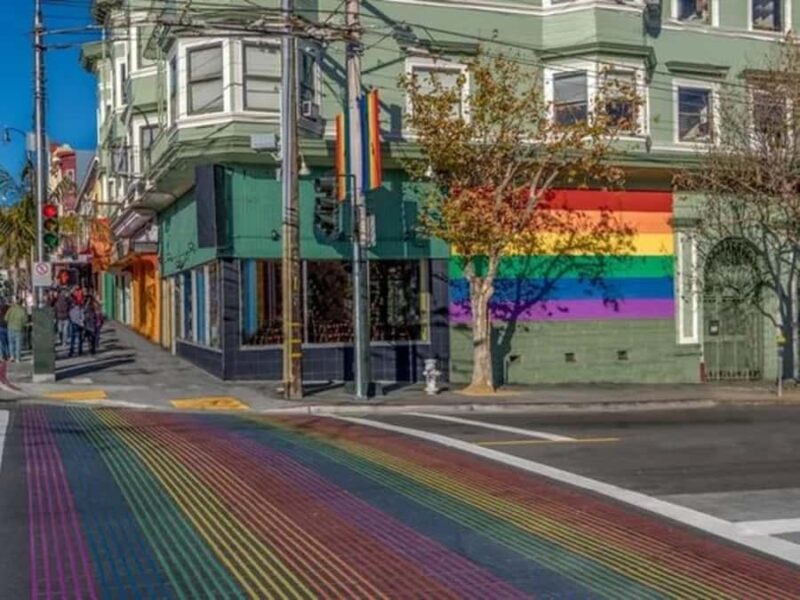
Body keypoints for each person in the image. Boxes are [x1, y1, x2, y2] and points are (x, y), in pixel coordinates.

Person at [5, 299, 28, 363]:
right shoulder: (22, 310)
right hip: (19, 328)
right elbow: (25, 320)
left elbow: (6, 318)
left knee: (11, 343)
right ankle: (18, 358)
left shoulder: (10, 309)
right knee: (18, 344)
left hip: (10, 327)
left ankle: (12, 356)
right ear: (21, 303)